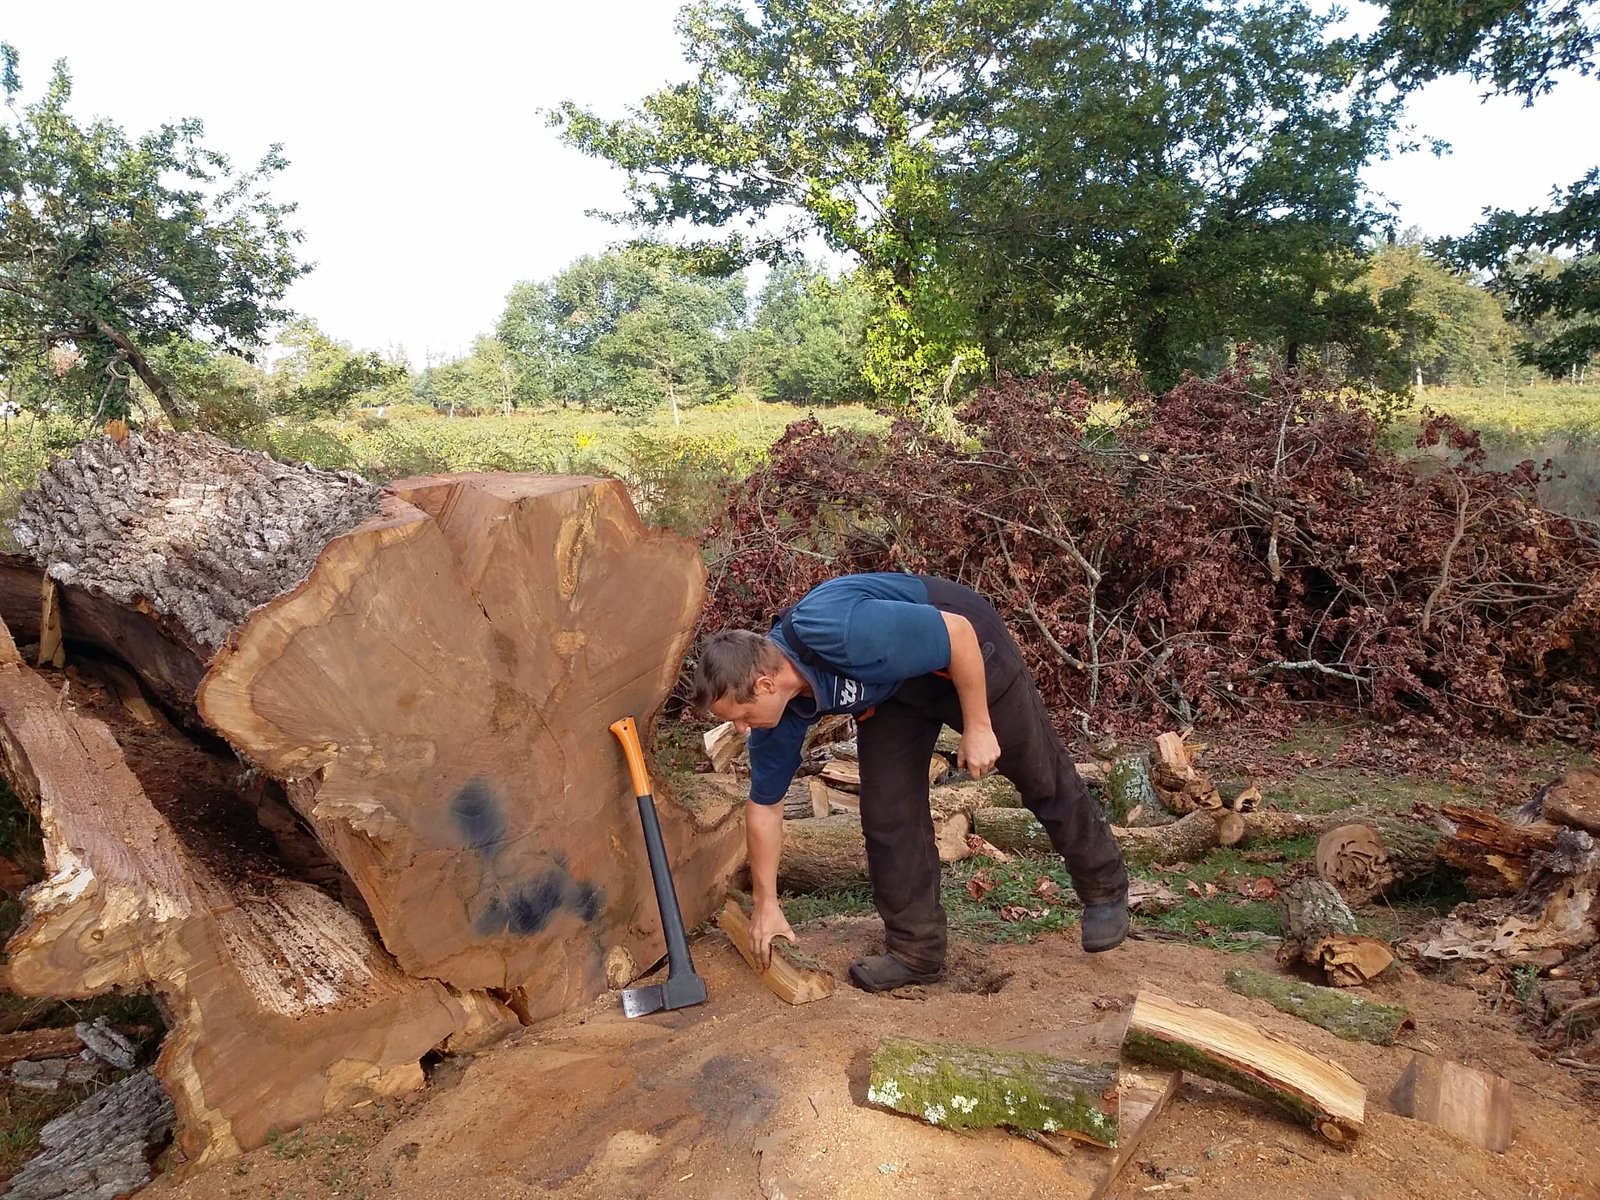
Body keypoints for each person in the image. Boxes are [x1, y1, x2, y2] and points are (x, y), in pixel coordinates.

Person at [691, 572, 1129, 992]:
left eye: (742, 717)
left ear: (765, 683)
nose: (743, 730)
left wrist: (977, 727)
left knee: (1037, 770)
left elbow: (957, 634)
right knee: (888, 811)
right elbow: (765, 806)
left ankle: (1104, 887)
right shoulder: (776, 720)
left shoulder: (834, 629)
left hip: (966, 649)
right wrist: (767, 902)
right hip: (893, 691)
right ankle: (915, 951)